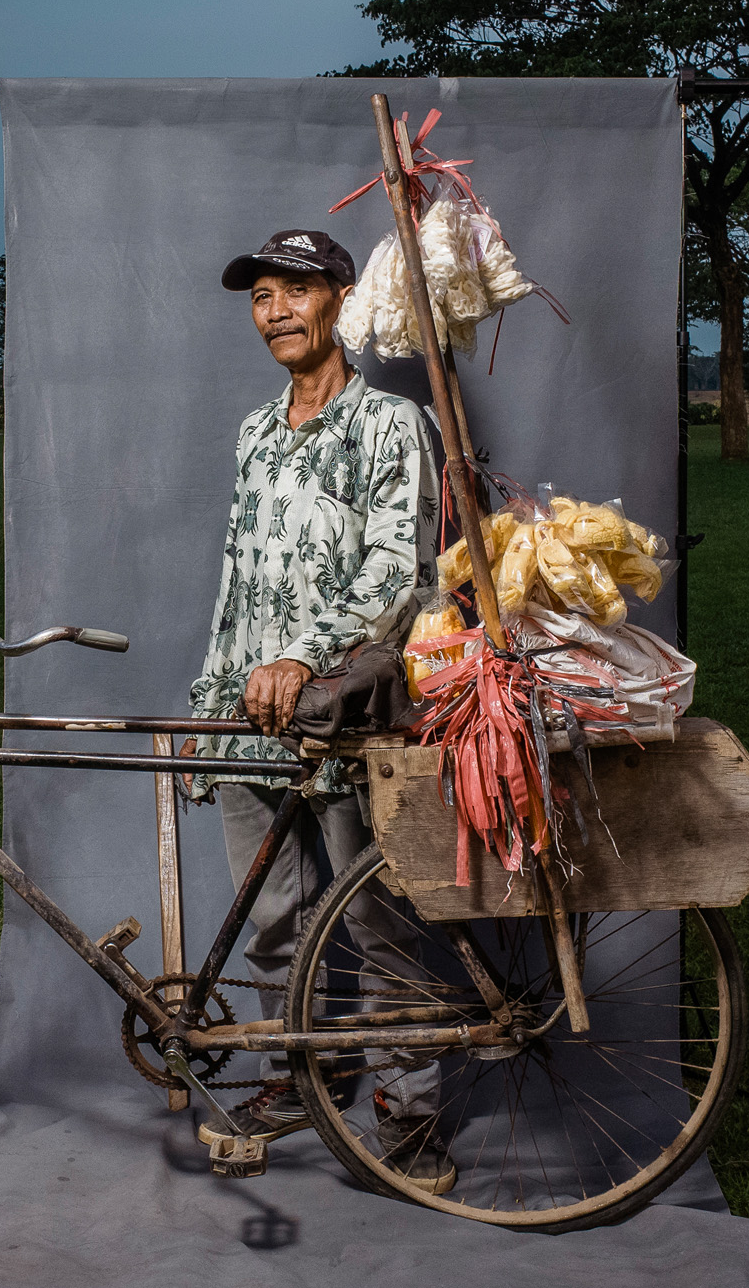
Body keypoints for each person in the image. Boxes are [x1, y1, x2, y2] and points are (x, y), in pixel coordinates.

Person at [180, 228, 454, 1194]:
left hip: (347, 711)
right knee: (274, 918)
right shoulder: (257, 429)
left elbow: (401, 571)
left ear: (339, 298)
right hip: (250, 714)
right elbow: (240, 575)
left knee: (378, 915)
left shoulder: (390, 424)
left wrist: (304, 656)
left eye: (295, 291)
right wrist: (214, 691)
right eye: (261, 296)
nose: (276, 312)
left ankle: (409, 1110)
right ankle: (309, 1071)